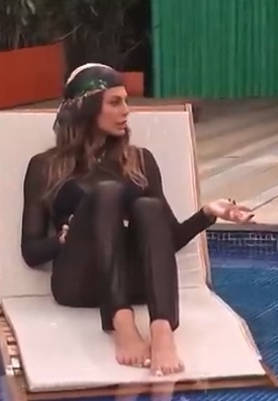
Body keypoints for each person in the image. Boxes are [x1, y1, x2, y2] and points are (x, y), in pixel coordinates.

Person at [20, 63, 254, 377]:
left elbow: (167, 240)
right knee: (106, 193)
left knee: (148, 207)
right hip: (80, 282)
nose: (126, 111)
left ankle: (162, 330)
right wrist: (61, 241)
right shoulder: (45, 166)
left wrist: (208, 213)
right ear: (87, 108)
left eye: (126, 101)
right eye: (115, 102)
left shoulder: (140, 160)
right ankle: (121, 322)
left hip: (136, 283)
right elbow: (31, 251)